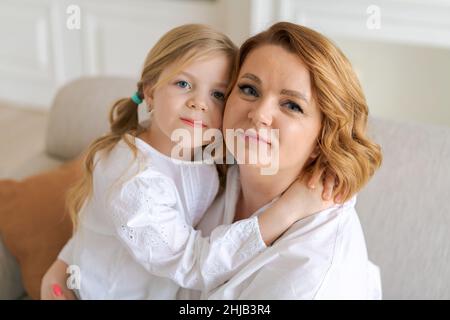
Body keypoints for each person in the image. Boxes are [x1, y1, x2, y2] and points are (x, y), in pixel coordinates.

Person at [40, 24, 334, 300]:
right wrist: (288, 210)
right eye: (183, 83)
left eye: (218, 94)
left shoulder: (207, 147)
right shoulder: (135, 180)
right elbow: (194, 265)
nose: (199, 103)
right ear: (151, 92)